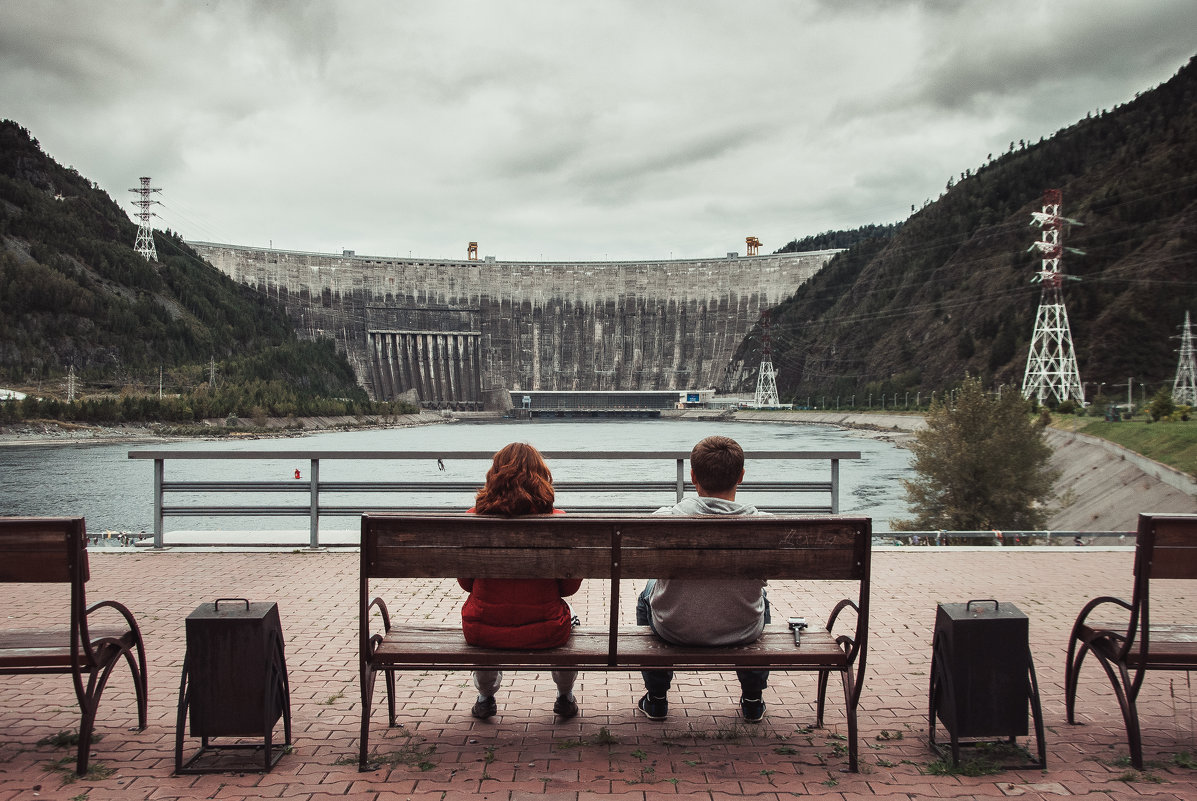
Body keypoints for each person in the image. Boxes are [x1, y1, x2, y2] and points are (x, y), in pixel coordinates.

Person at [636, 435, 771, 723]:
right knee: (763, 599)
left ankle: (657, 698)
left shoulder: (662, 521)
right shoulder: (765, 525)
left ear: (693, 476)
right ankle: (752, 699)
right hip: (743, 628)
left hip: (674, 628)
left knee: (647, 592)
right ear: (742, 476)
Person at [457, 442, 581, 721]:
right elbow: (569, 588)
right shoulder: (557, 521)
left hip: (482, 629)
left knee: (486, 615)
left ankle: (485, 697)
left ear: (495, 475)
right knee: (572, 618)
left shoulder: (471, 520)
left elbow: (466, 583)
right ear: (541, 476)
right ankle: (564, 695)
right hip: (547, 629)